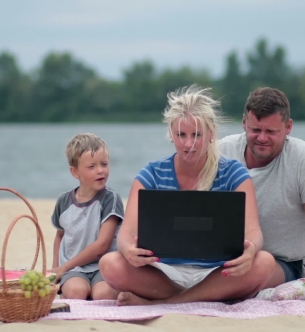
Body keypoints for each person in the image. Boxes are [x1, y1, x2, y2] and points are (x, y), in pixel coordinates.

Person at [99, 84, 279, 306]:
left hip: (218, 272)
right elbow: (125, 233)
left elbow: (254, 231)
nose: (188, 144)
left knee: (264, 262)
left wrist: (250, 251)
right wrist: (129, 251)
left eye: (197, 135)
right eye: (181, 135)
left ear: (211, 133)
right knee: (110, 263)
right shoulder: (151, 174)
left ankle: (166, 302)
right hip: (163, 272)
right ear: (171, 135)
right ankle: (193, 298)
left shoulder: (234, 173)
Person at [219, 87, 305, 287]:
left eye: (271, 131)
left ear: (288, 127)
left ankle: (180, 301)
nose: (262, 138)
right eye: (255, 130)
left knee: (260, 264)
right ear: (244, 123)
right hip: (223, 258)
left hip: (284, 264)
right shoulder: (221, 151)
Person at [49, 133, 125, 300]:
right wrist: (57, 269)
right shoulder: (64, 201)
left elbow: (102, 246)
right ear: (75, 172)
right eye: (91, 167)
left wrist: (64, 267)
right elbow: (59, 236)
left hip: (103, 266)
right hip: (74, 269)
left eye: (104, 164)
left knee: (102, 295)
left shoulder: (110, 199)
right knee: (77, 292)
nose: (100, 171)